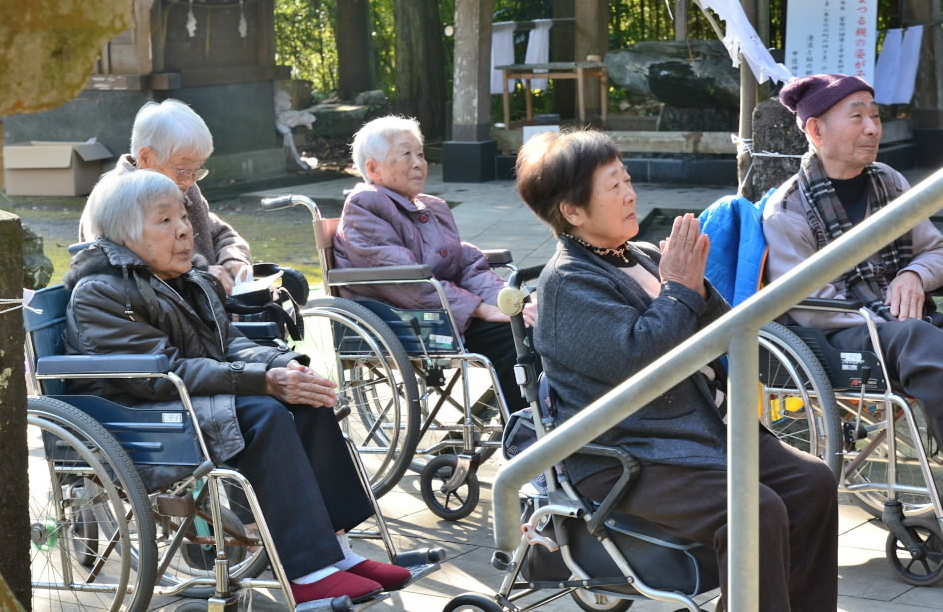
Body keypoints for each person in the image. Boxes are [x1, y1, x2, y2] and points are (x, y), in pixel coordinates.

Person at [515, 129, 838, 611]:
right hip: (629, 453)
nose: (630, 193)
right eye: (613, 186)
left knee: (812, 483)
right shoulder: (567, 282)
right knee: (755, 509)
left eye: (626, 179)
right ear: (573, 212)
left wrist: (698, 291)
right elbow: (640, 363)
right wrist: (681, 289)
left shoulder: (641, 255)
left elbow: (723, 333)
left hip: (696, 433)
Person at [65, 170, 411, 604]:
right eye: (165, 220)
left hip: (184, 403)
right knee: (263, 414)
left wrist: (284, 366)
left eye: (184, 217)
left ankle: (336, 553)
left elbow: (228, 343)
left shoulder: (184, 280)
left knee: (307, 401)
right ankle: (307, 572)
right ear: (123, 234)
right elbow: (160, 374)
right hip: (141, 419)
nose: (185, 229)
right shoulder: (100, 292)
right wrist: (264, 382)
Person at [763, 74, 943, 448]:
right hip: (840, 332)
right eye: (857, 117)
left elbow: (935, 249)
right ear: (816, 130)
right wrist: (889, 321)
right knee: (917, 338)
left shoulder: (889, 181)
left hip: (900, 324)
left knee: (918, 336)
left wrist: (912, 275)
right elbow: (811, 305)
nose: (872, 128)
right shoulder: (788, 210)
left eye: (875, 117)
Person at [332, 115, 536, 417]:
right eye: (406, 154)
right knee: (514, 339)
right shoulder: (366, 205)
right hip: (408, 319)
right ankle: (531, 435)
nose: (418, 163)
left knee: (534, 324)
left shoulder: (432, 207)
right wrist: (480, 308)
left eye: (421, 154)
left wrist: (509, 302)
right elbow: (404, 279)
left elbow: (465, 265)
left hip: (443, 309)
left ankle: (550, 424)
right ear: (373, 168)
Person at [78, 99, 251, 295]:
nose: (189, 181)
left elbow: (221, 234)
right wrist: (202, 275)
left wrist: (233, 259)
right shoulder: (114, 199)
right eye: (183, 169)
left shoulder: (182, 189)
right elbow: (121, 274)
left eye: (197, 170)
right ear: (145, 158)